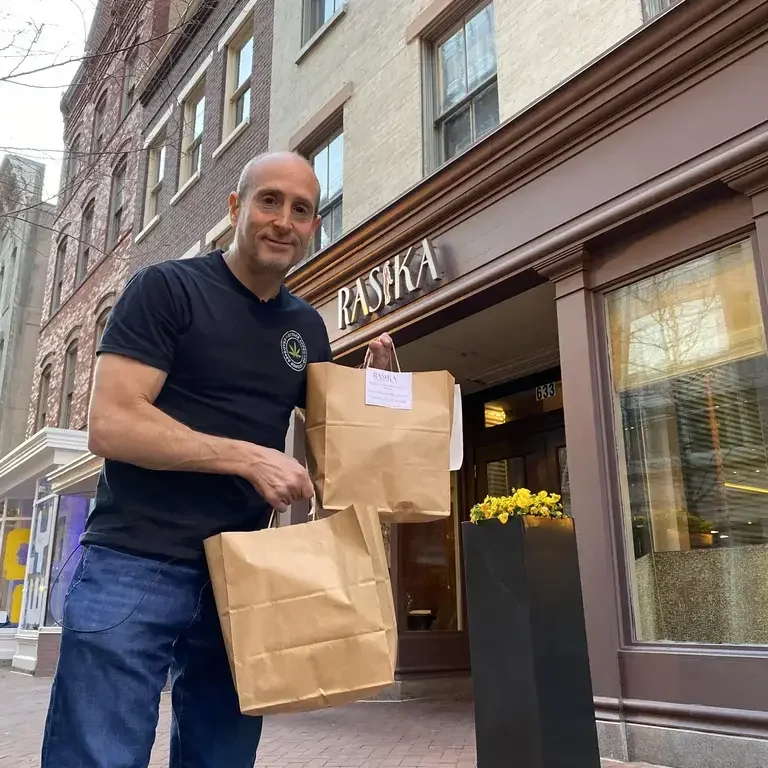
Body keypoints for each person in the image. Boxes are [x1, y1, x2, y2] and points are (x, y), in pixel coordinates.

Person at [40, 151, 394, 768]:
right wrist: (248, 459)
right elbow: (113, 422)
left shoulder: (306, 328)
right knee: (94, 758)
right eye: (269, 201)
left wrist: (378, 398)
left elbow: (335, 455)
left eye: (302, 210)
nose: (283, 220)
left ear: (315, 225)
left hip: (245, 576)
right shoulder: (166, 289)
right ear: (236, 208)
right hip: (134, 560)